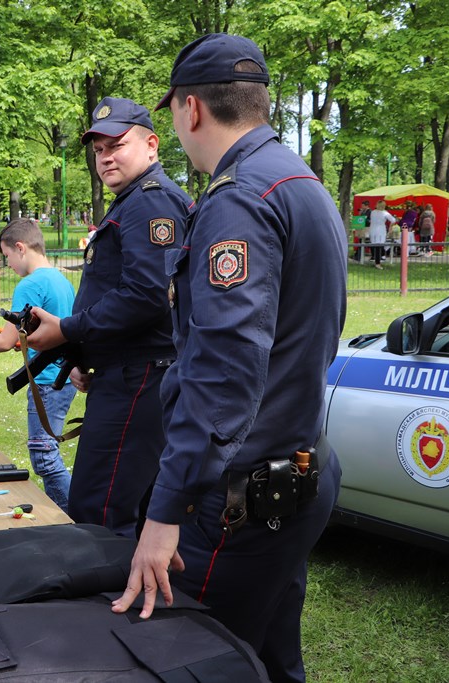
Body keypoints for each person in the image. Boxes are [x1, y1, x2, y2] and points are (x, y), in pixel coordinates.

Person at [112, 34, 346, 683]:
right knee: (271, 659)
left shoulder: (239, 199)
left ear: (189, 109)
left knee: (190, 659)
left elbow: (223, 376)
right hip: (297, 469)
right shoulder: (299, 181)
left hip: (241, 495)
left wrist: (165, 511)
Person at [25, 96, 192, 538]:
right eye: (99, 150)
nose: (105, 157)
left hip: (140, 379)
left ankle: (109, 586)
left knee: (100, 512)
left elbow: (147, 295)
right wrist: (86, 354)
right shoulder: (133, 201)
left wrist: (67, 330)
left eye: (117, 145)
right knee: (123, 508)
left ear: (151, 145)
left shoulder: (151, 203)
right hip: (127, 376)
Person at [0, 217, 77, 511]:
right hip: (64, 378)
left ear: (21, 248)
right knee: (47, 454)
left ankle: (75, 515)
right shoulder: (62, 281)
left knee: (44, 458)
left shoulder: (30, 284)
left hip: (47, 381)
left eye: (7, 255)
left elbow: (4, 341)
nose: (7, 263)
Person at [368, 200, 396, 269]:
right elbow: (393, 220)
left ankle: (376, 259)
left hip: (372, 229)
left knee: (374, 245)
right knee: (379, 246)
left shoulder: (373, 212)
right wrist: (390, 227)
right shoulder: (385, 213)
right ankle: (378, 263)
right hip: (380, 230)